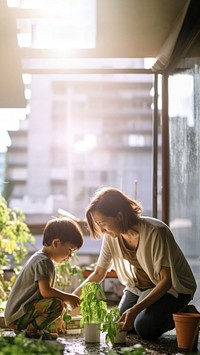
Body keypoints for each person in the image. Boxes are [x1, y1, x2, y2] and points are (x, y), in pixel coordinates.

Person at [73, 187, 197, 340]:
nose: (102, 230)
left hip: (173, 289)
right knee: (122, 324)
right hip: (138, 288)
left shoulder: (156, 232)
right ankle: (149, 311)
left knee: (144, 327)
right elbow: (99, 273)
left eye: (103, 223)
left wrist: (135, 309)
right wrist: (72, 297)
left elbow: (166, 281)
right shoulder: (112, 237)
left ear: (119, 215)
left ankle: (186, 313)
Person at [5, 217, 84, 340]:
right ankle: (31, 332)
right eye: (70, 250)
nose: (70, 256)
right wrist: (69, 297)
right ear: (56, 243)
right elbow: (46, 292)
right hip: (18, 316)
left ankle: (35, 329)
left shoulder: (42, 259)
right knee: (57, 304)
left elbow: (44, 296)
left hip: (19, 314)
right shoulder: (43, 261)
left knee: (57, 317)